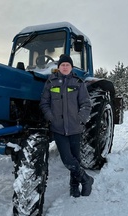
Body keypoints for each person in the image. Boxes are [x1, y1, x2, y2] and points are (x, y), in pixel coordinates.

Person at [40, 54, 94, 198]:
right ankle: (86, 179)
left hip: (75, 127)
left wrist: (80, 119)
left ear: (71, 67)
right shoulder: (51, 82)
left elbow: (86, 103)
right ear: (58, 67)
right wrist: (51, 117)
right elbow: (44, 103)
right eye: (62, 65)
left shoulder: (78, 82)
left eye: (67, 65)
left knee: (75, 157)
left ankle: (74, 186)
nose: (65, 67)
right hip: (58, 128)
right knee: (67, 159)